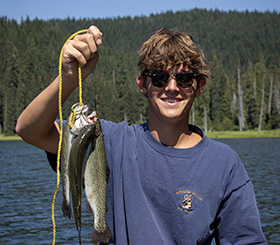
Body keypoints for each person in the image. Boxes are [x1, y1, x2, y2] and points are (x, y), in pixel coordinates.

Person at [16, 25, 267, 244]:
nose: (171, 87)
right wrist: (70, 78)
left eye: (184, 78)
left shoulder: (225, 163)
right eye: (159, 78)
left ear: (198, 86)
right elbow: (29, 130)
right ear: (143, 84)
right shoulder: (107, 140)